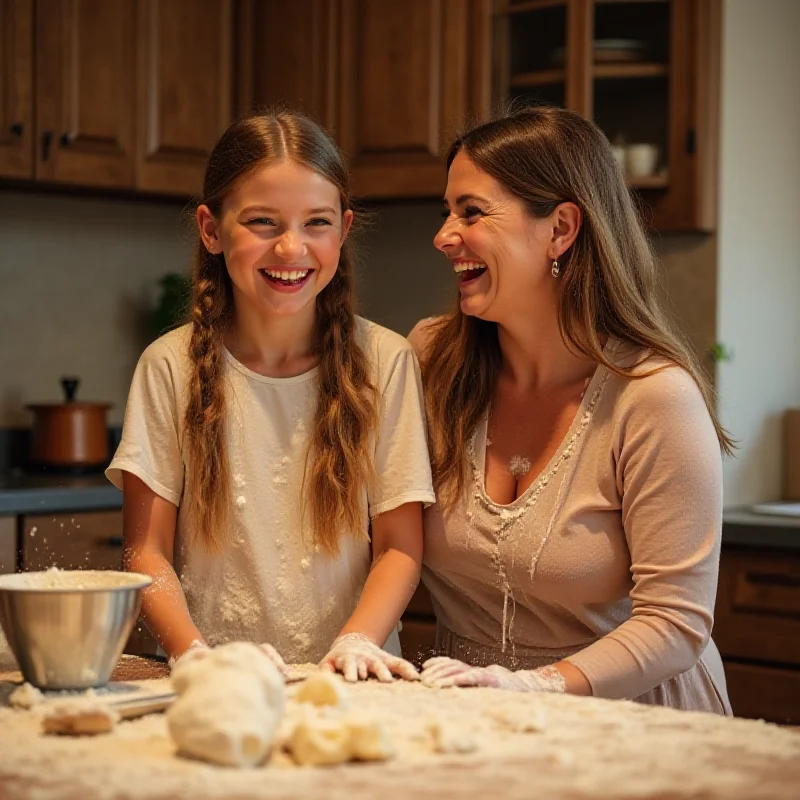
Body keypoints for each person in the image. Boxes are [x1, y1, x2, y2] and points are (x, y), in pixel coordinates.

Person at [410, 106, 732, 713]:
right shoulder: (430, 360)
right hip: (475, 716)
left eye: (471, 211)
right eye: (447, 211)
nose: (444, 234)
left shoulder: (654, 397)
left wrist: (536, 684)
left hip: (631, 719)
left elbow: (676, 622)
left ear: (560, 229)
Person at [107, 110, 435, 682]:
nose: (291, 248)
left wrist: (356, 641)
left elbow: (400, 548)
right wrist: (197, 656)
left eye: (316, 222)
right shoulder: (168, 367)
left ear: (344, 229)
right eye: (262, 221)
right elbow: (147, 552)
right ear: (211, 229)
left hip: (354, 679)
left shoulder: (384, 362)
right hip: (212, 681)